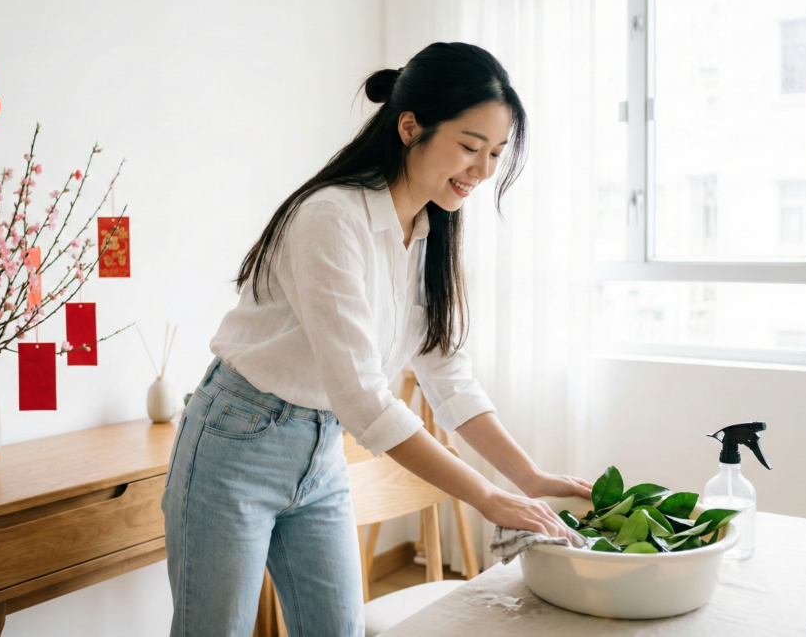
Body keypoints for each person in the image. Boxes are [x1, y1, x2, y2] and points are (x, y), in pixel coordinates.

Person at [161, 41, 594, 637]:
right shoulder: (331, 217)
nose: (483, 170)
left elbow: (447, 373)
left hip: (321, 453)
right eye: (470, 147)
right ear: (410, 126)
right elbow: (365, 397)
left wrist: (530, 478)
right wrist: (487, 498)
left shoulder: (430, 227)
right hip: (236, 440)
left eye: (495, 153)